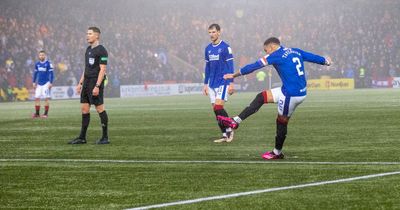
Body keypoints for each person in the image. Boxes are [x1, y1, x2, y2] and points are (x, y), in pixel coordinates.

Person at [218, 37, 332, 159]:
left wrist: (234, 75)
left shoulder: (275, 55)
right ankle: (235, 121)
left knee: (281, 122)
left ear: (271, 47)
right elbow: (311, 57)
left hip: (291, 94)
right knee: (261, 97)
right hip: (294, 90)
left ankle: (277, 152)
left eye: (266, 50)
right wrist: (325, 61)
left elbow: (254, 66)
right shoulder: (295, 51)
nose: (266, 53)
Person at [68, 26, 109, 144]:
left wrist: (97, 86)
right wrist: (80, 83)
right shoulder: (88, 49)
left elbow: (102, 70)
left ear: (97, 36)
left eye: (90, 34)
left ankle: (105, 137)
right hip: (86, 82)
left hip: (95, 82)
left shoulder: (102, 50)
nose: (87, 36)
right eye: (87, 33)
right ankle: (82, 137)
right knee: (84, 109)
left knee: (99, 108)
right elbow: (86, 68)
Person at [203, 23, 235, 143]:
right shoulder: (208, 49)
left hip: (223, 81)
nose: (211, 35)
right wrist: (205, 84)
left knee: (218, 107)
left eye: (213, 32)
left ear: (219, 32)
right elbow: (207, 67)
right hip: (212, 83)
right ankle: (224, 134)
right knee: (215, 110)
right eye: (209, 32)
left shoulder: (226, 47)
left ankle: (230, 128)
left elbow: (230, 65)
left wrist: (231, 82)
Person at [32, 50, 54, 118]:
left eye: (43, 55)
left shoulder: (49, 64)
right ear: (39, 56)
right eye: (40, 55)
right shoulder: (37, 64)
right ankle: (37, 114)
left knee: (46, 99)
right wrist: (33, 82)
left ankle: (45, 114)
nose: (41, 56)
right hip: (39, 84)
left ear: (45, 56)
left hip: (46, 84)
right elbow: (35, 73)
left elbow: (52, 74)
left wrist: (51, 82)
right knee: (37, 98)